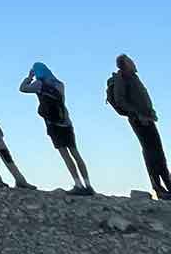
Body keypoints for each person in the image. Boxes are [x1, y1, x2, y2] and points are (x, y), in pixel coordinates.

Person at [18, 62, 94, 195]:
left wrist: (29, 76)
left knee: (65, 155)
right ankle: (88, 185)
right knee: (75, 153)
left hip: (53, 124)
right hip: (66, 122)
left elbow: (23, 88)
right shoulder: (60, 84)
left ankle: (78, 184)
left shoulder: (39, 85)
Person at [107, 54, 171, 199]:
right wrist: (137, 114)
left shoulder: (133, 77)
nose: (133, 62)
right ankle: (159, 189)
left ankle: (167, 185)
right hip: (139, 120)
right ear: (124, 65)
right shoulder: (121, 79)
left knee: (158, 153)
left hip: (147, 119)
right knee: (151, 153)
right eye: (130, 61)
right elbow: (120, 100)